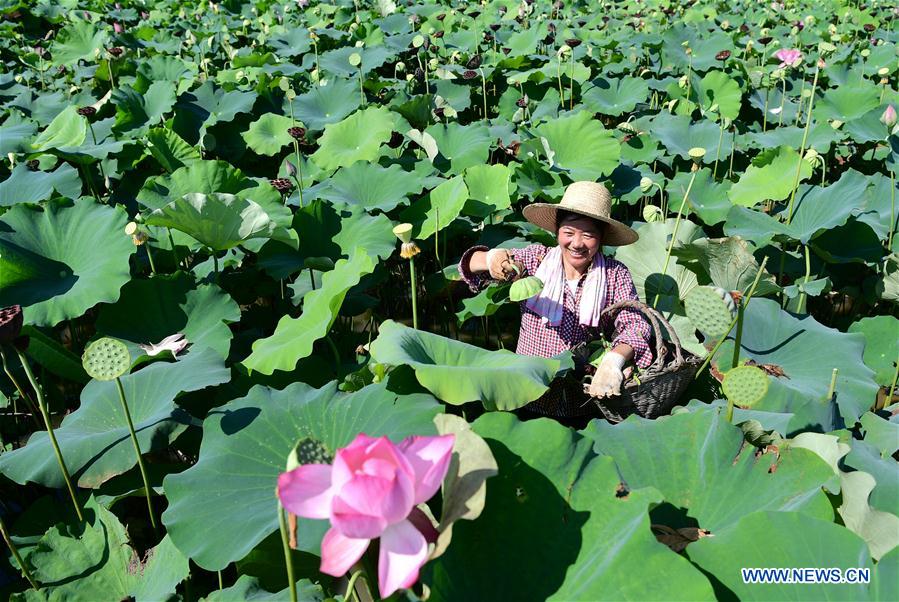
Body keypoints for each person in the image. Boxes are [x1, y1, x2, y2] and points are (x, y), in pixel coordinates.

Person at [459, 181, 652, 424]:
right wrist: (491, 259)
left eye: (588, 235)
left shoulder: (615, 274)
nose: (577, 243)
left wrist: (614, 361)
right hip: (528, 392)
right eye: (569, 233)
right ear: (557, 232)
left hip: (585, 401)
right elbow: (470, 265)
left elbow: (636, 326)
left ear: (601, 238)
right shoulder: (535, 260)